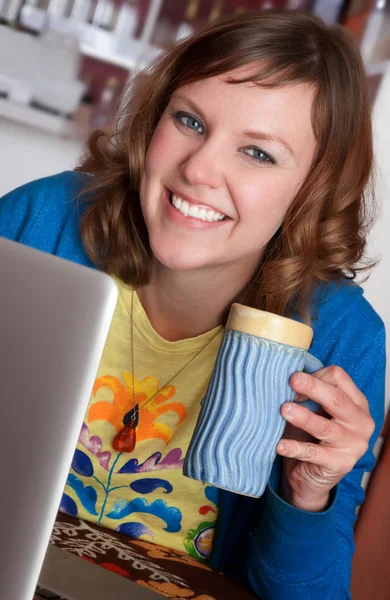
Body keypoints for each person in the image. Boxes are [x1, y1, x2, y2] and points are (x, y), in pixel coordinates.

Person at [0, 9, 385, 599]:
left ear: (312, 190)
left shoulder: (339, 333)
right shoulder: (41, 221)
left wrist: (310, 494)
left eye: (258, 153)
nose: (199, 169)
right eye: (189, 121)